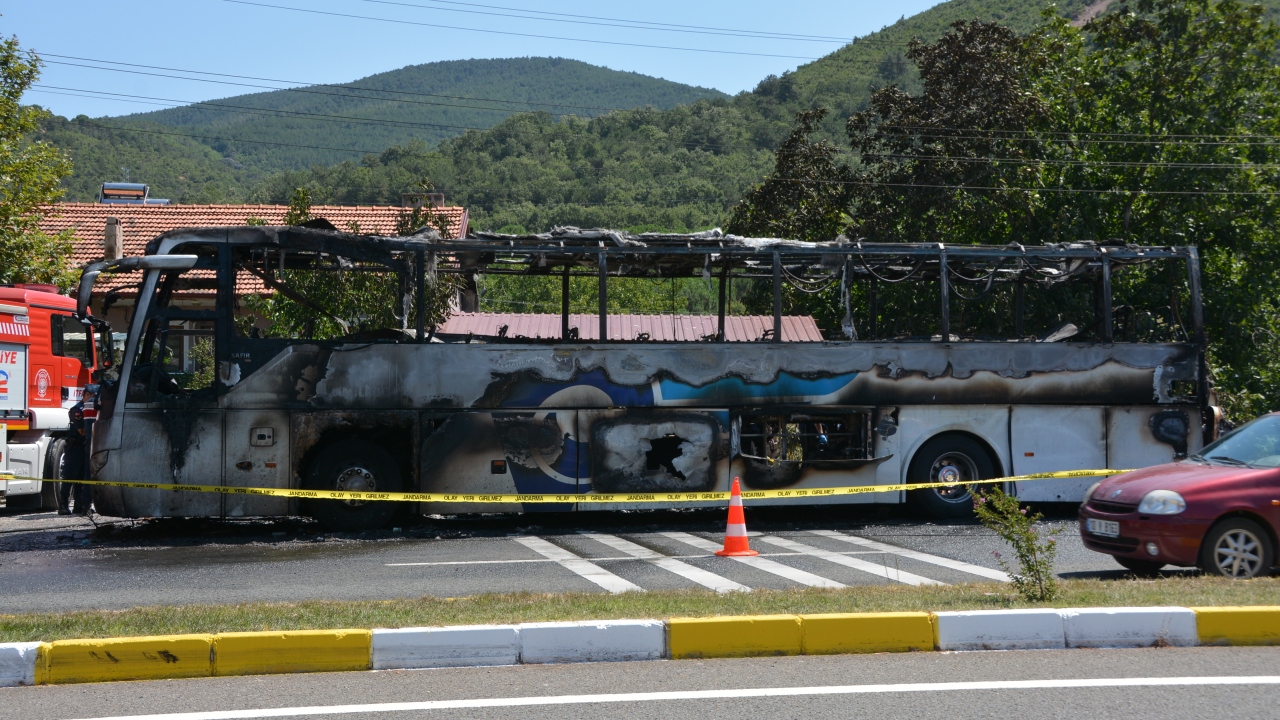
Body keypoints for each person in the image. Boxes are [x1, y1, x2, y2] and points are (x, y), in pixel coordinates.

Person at [57, 401, 92, 516]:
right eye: (92, 395)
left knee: (81, 477)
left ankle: (78, 505)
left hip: (84, 448)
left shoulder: (89, 408)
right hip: (75, 448)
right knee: (69, 476)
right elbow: (81, 431)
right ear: (86, 394)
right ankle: (63, 505)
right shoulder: (77, 410)